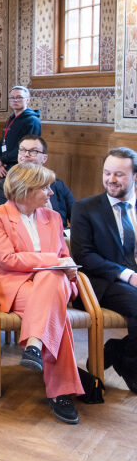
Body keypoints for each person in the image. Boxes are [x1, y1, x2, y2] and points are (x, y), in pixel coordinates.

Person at [0, 163, 82, 423]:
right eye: (45, 187)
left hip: (53, 284)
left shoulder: (54, 217)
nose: (51, 193)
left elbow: (64, 257)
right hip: (15, 286)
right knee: (57, 314)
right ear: (26, 189)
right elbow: (6, 259)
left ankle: (34, 344)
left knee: (51, 278)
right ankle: (61, 393)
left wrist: (67, 267)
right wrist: (53, 261)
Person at [70, 148, 137, 394]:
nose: (111, 179)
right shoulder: (85, 208)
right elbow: (84, 256)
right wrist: (128, 275)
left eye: (119, 174)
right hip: (102, 282)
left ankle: (118, 351)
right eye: (107, 173)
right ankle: (130, 366)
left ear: (135, 176)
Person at [0, 135, 74, 227]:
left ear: (44, 158)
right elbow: (0, 221)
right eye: (22, 150)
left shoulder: (58, 185)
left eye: (33, 151)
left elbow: (75, 216)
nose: (26, 154)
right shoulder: (3, 186)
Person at [0, 86, 41, 177]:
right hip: (6, 166)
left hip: (22, 167)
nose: (15, 100)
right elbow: (3, 140)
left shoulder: (32, 121)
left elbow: (27, 148)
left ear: (28, 100)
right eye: (12, 97)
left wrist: (2, 160)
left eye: (19, 97)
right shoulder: (11, 118)